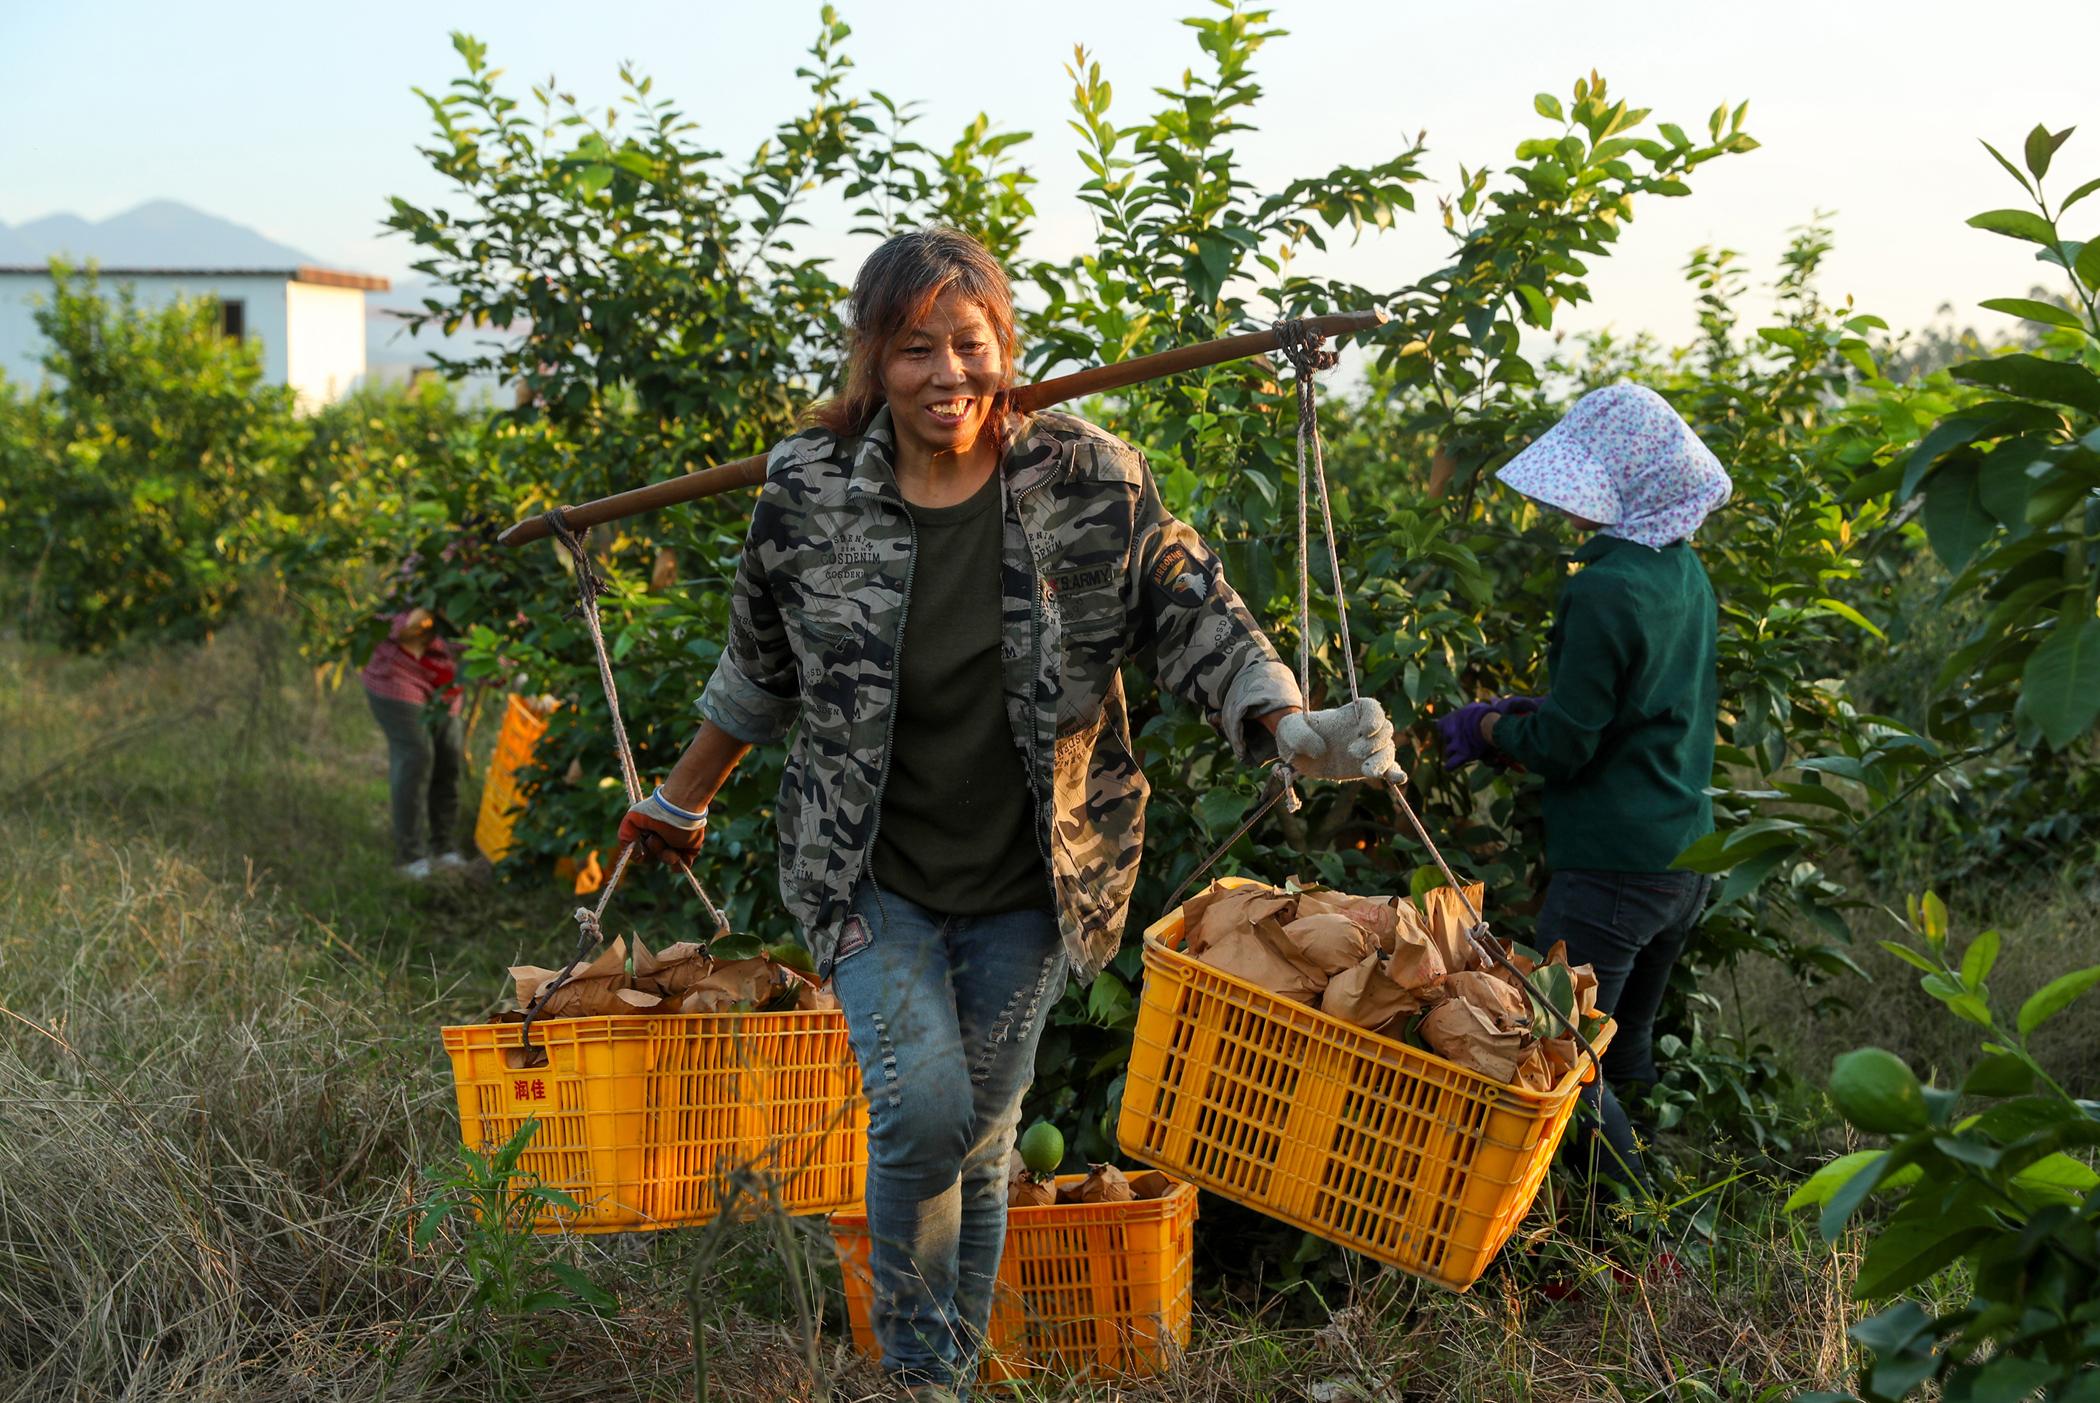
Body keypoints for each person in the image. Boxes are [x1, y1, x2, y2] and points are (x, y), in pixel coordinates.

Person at [617, 227, 1403, 1399]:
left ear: (1004, 347)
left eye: (969, 343)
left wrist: (1286, 721)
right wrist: (680, 797)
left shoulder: (1088, 478)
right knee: (925, 1111)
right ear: (873, 360)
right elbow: (758, 670)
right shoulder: (808, 490)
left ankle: (936, 1378)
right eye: (914, 347)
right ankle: (920, 1376)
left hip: (1042, 879)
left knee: (984, 1140)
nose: (947, 374)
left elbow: (1196, 609)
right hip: (866, 871)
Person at [1438, 382, 1732, 1200]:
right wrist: (1537, 710)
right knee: (1624, 1047)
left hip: (1611, 867)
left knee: (1561, 1055)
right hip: (1685, 859)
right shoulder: (1683, 573)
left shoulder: (1601, 588)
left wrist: (1494, 731)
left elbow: (1570, 744)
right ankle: (1666, 1200)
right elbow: (1642, 704)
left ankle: (1643, 1231)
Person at [360, 605, 469, 879]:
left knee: (449, 757)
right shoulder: (422, 569)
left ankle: (443, 847)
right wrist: (428, 616)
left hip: (445, 682)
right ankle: (410, 856)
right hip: (398, 673)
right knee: (417, 755)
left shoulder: (495, 576)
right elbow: (397, 625)